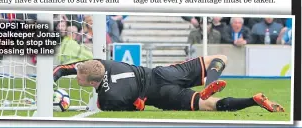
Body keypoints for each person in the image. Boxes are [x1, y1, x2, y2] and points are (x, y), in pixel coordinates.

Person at [53, 55, 285, 112]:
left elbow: (138, 107)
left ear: (91, 81)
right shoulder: (107, 64)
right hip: (164, 74)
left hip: (162, 95)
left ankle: (252, 101)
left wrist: (56, 77)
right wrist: (56, 75)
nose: (76, 76)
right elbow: (70, 67)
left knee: (213, 106)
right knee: (221, 59)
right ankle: (210, 80)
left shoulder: (108, 99)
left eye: (78, 77)